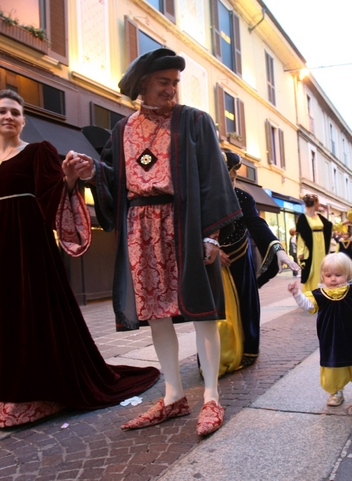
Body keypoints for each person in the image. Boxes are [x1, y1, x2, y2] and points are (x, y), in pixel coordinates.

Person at [0, 89, 160, 428]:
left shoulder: (38, 153)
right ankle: (5, 397)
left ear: (23, 120)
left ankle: (43, 392)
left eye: (15, 112)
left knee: (34, 318)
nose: (8, 117)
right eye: (2, 111)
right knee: (3, 325)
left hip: (30, 253)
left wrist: (70, 178)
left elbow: (54, 194)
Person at [70, 48, 242, 436]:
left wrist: (211, 233)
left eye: (175, 83)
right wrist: (91, 171)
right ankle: (173, 395)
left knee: (202, 309)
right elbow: (115, 179)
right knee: (155, 312)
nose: (171, 89)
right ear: (143, 85)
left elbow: (212, 176)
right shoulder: (122, 129)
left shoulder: (195, 121)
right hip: (140, 228)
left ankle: (212, 396)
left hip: (185, 224)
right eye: (163, 82)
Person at [216, 150, 300, 375]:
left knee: (245, 306)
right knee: (214, 312)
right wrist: (211, 251)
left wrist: (280, 251)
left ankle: (246, 352)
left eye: (233, 179)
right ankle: (215, 355)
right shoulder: (202, 198)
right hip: (211, 263)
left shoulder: (244, 198)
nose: (230, 184)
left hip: (239, 260)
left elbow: (257, 225)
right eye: (227, 178)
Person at [288, 253, 352, 407]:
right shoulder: (318, 294)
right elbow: (308, 306)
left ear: (348, 274)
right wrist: (296, 294)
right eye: (328, 275)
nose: (333, 279)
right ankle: (336, 391)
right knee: (333, 364)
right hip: (331, 338)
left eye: (338, 275)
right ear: (322, 276)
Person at [296, 194, 333, 293]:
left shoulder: (319, 216)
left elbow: (329, 226)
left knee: (322, 268)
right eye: (318, 202)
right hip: (310, 248)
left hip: (321, 247)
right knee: (311, 270)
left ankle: (323, 290)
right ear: (315, 203)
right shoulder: (303, 218)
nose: (319, 204)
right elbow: (300, 237)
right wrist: (300, 251)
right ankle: (311, 293)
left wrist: (342, 224)